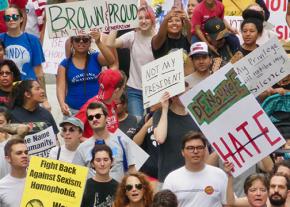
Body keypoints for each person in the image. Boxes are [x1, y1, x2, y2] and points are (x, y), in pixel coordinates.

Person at [107, 5, 155, 117]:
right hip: (135, 90)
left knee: (153, 127)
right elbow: (110, 43)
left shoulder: (158, 38)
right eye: (140, 18)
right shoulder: (132, 36)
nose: (143, 21)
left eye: (147, 18)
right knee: (136, 125)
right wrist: (116, 24)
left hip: (154, 90)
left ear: (152, 19)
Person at [0, 5, 50, 109]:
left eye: (15, 17)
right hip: (5, 93)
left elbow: (39, 73)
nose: (11, 20)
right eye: (7, 17)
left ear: (21, 18)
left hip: (28, 92)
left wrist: (44, 99)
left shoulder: (33, 40)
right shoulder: (1, 39)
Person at [73, 102, 136, 182]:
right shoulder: (82, 148)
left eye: (98, 116)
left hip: (118, 192)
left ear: (106, 117)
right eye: (91, 118)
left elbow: (132, 170)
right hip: (93, 193)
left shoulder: (122, 141)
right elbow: (76, 179)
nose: (94, 119)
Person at [57, 31, 114, 117]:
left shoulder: (96, 57)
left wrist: (98, 42)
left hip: (96, 111)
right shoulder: (65, 64)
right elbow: (60, 87)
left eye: (85, 39)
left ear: (90, 42)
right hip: (73, 111)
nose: (81, 42)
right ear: (72, 42)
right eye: (77, 39)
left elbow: (111, 60)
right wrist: (62, 104)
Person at [163, 131, 228, 206]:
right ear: (182, 152)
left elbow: (228, 204)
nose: (195, 151)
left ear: (205, 150)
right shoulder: (172, 178)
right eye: (190, 148)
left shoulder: (219, 174)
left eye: (199, 147)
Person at [153, 90, 199, 183]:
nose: (188, 96)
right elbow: (160, 138)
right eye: (184, 94)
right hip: (168, 177)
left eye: (190, 91)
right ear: (173, 97)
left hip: (192, 177)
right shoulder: (160, 114)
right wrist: (165, 109)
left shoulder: (195, 115)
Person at [75, 69, 126, 138]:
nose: (123, 91)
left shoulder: (112, 103)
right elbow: (73, 131)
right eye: (123, 88)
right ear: (116, 91)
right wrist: (93, 144)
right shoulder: (91, 106)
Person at [0, 139, 28, 207]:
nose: (24, 155)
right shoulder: (1, 187)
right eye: (19, 153)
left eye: (26, 152)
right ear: (8, 159)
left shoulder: (40, 179)